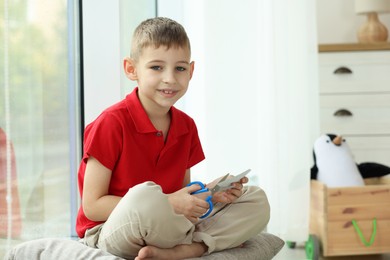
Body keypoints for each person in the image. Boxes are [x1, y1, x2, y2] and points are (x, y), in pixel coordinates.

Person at [76, 17, 270, 260]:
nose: (170, 78)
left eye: (180, 68)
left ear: (191, 71)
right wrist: (166, 202)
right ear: (131, 69)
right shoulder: (111, 123)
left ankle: (187, 250)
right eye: (156, 67)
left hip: (167, 225)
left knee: (255, 199)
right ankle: (186, 244)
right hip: (110, 229)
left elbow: (181, 195)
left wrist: (211, 193)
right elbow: (92, 205)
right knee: (145, 195)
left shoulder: (186, 126)